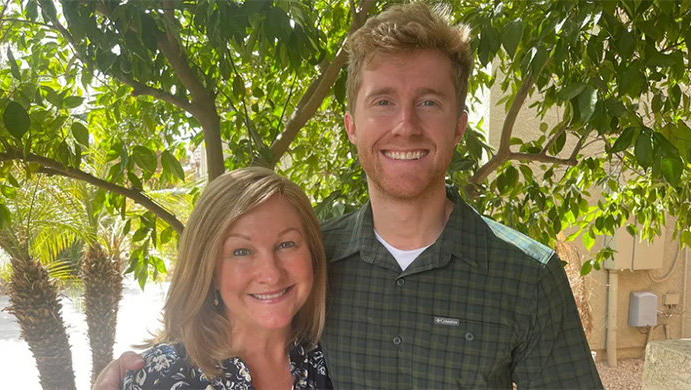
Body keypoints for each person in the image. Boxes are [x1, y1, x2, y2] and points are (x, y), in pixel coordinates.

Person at [96, 2, 602, 389]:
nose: (406, 126)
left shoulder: (527, 279)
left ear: (459, 127)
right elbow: (227, 322)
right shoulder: (311, 259)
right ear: (351, 126)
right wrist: (138, 371)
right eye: (383, 101)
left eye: (429, 101)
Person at [119, 167, 331, 389]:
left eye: (286, 244)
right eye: (241, 251)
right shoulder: (159, 376)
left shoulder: (334, 359)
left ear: (313, 254)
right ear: (209, 270)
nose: (271, 274)